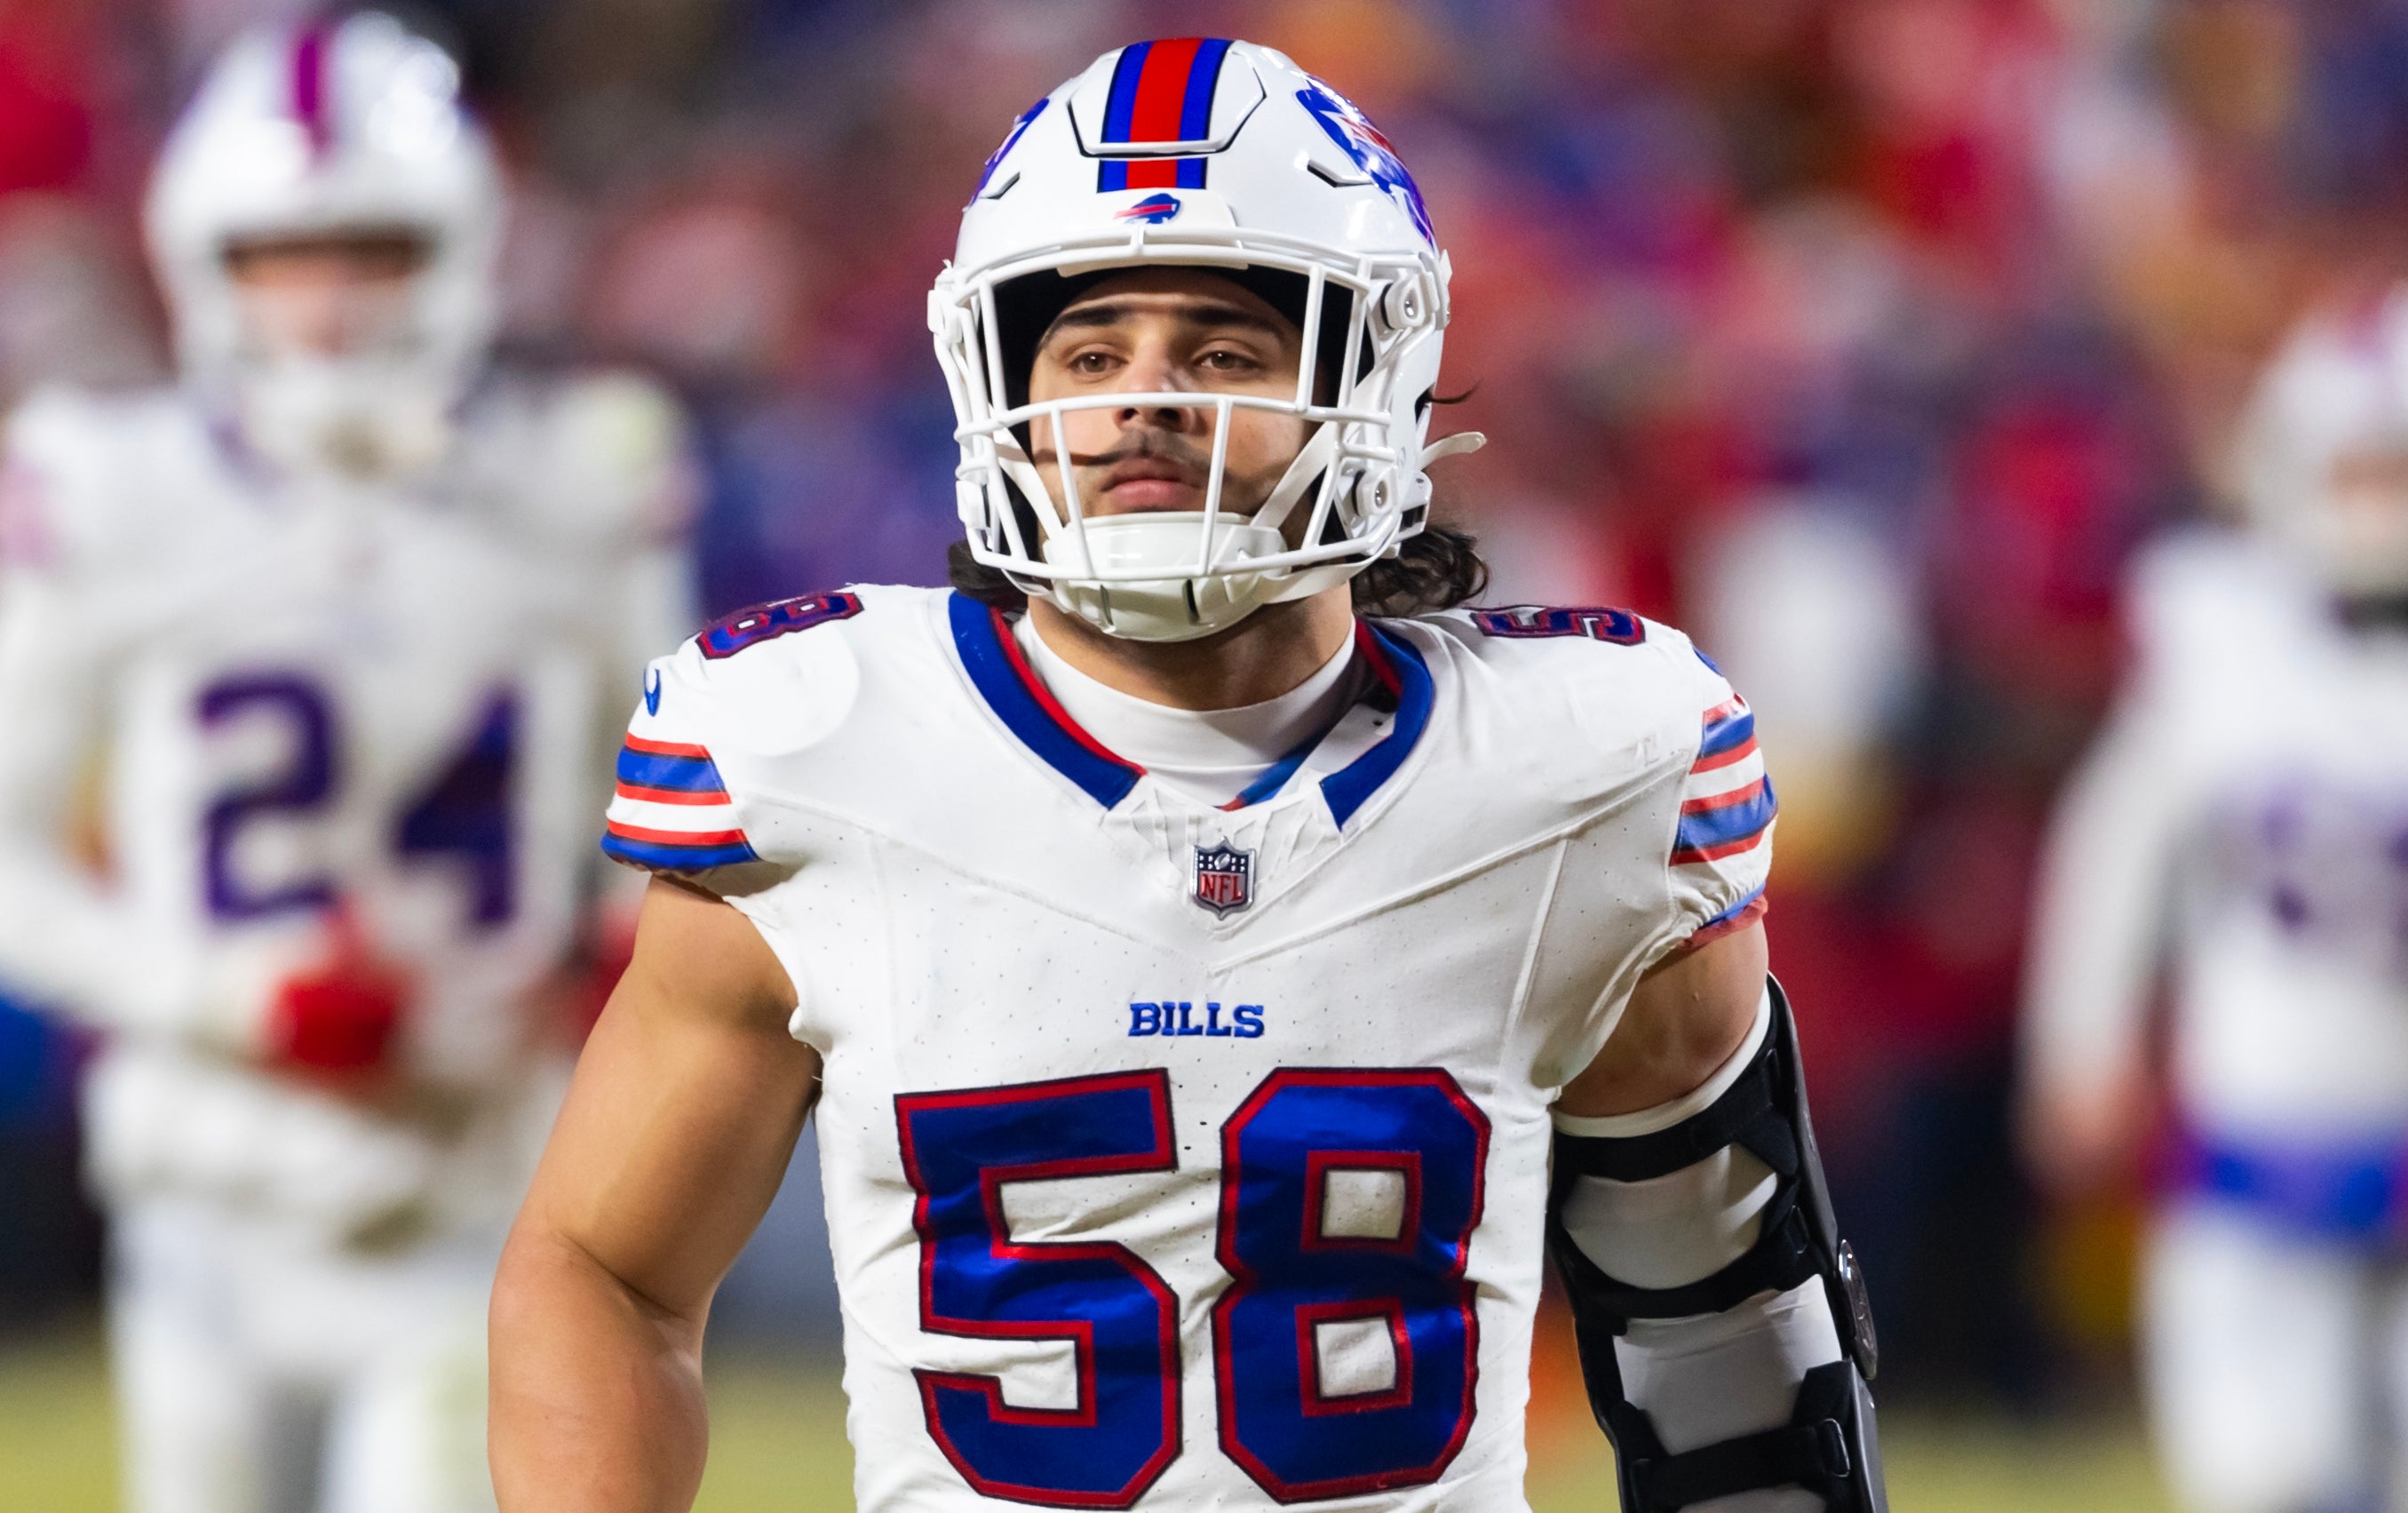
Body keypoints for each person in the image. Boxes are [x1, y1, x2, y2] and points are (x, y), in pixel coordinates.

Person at [489, 37, 1885, 1513]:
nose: (1144, 400)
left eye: (1222, 350)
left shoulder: (1580, 775)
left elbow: (1726, 1321)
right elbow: (604, 1273)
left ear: (1379, 381)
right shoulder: (820, 758)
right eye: (1089, 353)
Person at [0, 14, 695, 1513]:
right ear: (203, 263)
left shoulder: (589, 472)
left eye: (372, 247)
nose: (325, 304)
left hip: (475, 1174)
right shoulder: (108, 486)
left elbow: (671, 826)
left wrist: (611, 963)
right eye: (281, 256)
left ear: (462, 246)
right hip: (205, 1183)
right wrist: (240, 999)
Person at [2022, 284, 2408, 1513]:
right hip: (2263, 1137)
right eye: (2357, 467)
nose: (2376, 505)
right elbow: (2115, 847)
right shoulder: (2225, 637)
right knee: (2264, 1477)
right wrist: (2080, 1040)